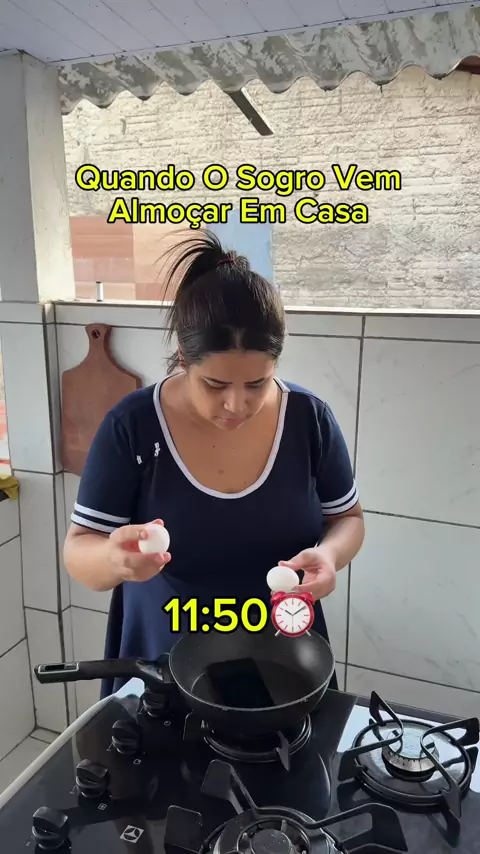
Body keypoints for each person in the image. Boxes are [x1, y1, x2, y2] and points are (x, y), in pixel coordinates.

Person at [64, 230, 365, 698]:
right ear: (184, 359)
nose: (236, 405)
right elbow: (79, 551)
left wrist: (329, 556)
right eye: (215, 384)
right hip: (164, 668)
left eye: (257, 384)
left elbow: (347, 519)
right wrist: (113, 559)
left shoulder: (308, 420)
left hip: (286, 662)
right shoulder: (134, 425)